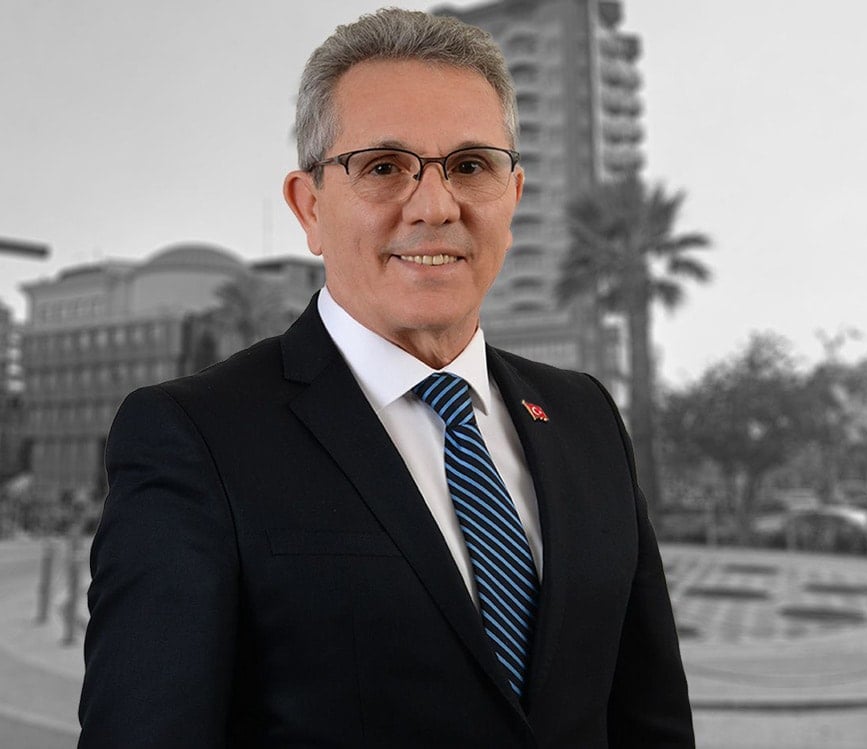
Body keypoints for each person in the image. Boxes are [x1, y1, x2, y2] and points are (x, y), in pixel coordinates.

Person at [78, 8, 692, 747]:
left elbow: (650, 719)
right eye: (382, 167)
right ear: (310, 207)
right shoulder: (195, 437)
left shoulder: (586, 417)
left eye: (471, 166)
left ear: (513, 196)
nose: (435, 206)